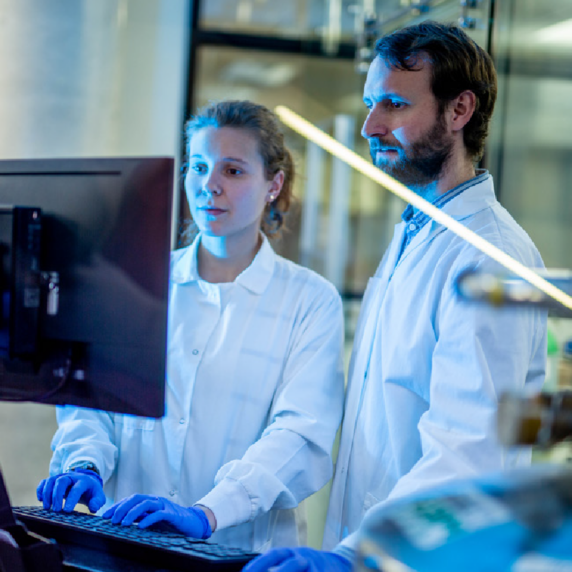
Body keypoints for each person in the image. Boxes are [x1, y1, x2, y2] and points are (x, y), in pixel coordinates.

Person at [244, 20, 547, 571]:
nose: (369, 126)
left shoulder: (488, 255)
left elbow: (467, 453)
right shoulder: (417, 231)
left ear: (459, 111)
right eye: (369, 104)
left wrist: (353, 558)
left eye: (393, 105)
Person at [36, 100, 345, 553]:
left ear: (273, 184)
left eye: (233, 171)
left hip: (236, 552)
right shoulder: (136, 282)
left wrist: (208, 512)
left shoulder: (310, 301)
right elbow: (92, 404)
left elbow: (300, 435)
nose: (209, 186)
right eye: (198, 166)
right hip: (123, 544)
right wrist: (84, 463)